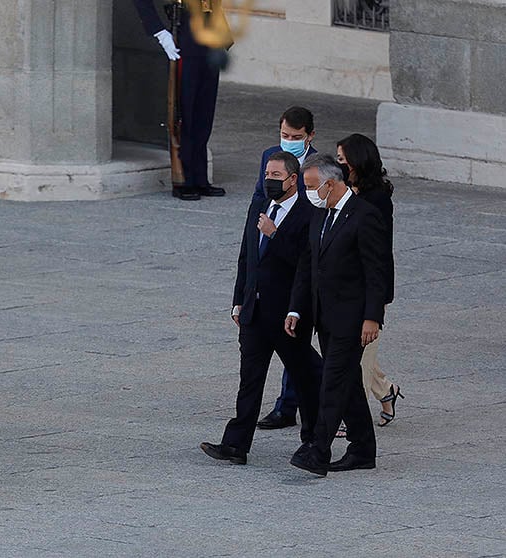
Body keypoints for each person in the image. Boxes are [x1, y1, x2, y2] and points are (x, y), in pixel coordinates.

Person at [200, 151, 322, 465]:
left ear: (293, 180)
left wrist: (275, 235)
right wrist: (238, 300)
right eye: (267, 174)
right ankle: (235, 444)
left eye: (276, 176)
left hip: (287, 315)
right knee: (249, 380)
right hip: (254, 312)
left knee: (303, 378)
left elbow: (306, 264)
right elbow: (247, 257)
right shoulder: (259, 205)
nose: (270, 181)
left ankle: (312, 442)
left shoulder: (309, 212)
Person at [286, 154, 388, 476]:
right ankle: (363, 448)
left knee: (331, 382)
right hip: (324, 316)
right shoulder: (321, 215)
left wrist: (373, 317)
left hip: (353, 318)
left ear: (331, 183)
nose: (308, 193)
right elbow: (308, 265)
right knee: (348, 383)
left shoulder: (364, 216)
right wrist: (296, 308)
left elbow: (377, 272)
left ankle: (319, 449)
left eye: (312, 186)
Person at [252, 106, 317, 431]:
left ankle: (291, 406)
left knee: (297, 348)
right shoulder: (269, 157)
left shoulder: (319, 167)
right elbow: (258, 198)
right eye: (285, 136)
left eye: (296, 137)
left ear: (309, 136)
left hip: (297, 263)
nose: (288, 142)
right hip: (269, 259)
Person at [337, 133, 403, 428]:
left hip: (368, 289)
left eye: (342, 160)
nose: (337, 164)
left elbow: (377, 255)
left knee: (360, 358)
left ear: (357, 162)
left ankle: (350, 420)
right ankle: (387, 390)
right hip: (341, 285)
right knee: (357, 352)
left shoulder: (376, 200)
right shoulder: (339, 191)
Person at [133, 0, 228, 201]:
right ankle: (184, 179)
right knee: (184, 111)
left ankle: (200, 177)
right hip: (183, 32)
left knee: (204, 111)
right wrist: (158, 30)